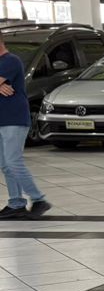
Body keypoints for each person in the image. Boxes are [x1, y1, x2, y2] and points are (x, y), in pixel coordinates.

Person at [0, 36, 49, 219]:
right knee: (5, 165)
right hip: (2, 120)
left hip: (14, 119)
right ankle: (16, 204)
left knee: (14, 162)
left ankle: (38, 200)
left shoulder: (10, 61)